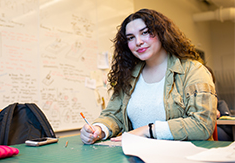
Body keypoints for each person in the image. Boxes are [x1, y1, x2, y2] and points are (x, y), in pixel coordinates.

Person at [80, 9, 217, 144]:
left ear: (162, 33)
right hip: (138, 155)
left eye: (145, 32)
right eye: (131, 38)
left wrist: (148, 131)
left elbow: (202, 124)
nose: (138, 42)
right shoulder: (128, 75)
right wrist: (99, 129)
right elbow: (113, 115)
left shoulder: (193, 70)